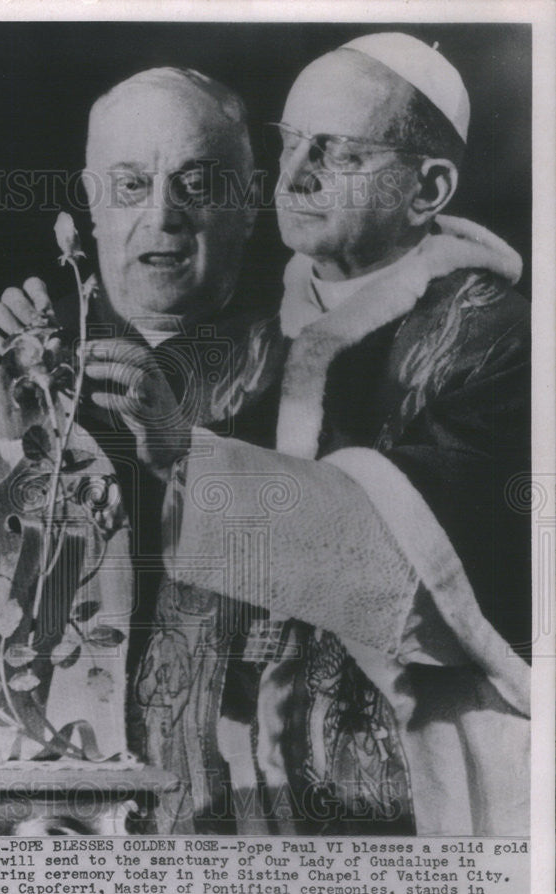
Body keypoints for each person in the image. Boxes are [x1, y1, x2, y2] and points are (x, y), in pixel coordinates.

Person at [102, 35, 530, 836]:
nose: (294, 176)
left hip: (421, 809)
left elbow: (433, 572)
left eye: (336, 153)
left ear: (427, 186)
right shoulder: (232, 351)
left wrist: (188, 459)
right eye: (290, 143)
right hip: (226, 808)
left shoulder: (505, 345)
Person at [0, 67, 287, 834]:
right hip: (15, 833)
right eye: (130, 185)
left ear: (247, 202)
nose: (162, 218)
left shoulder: (305, 382)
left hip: (231, 831)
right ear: (90, 203)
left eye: (197, 185)